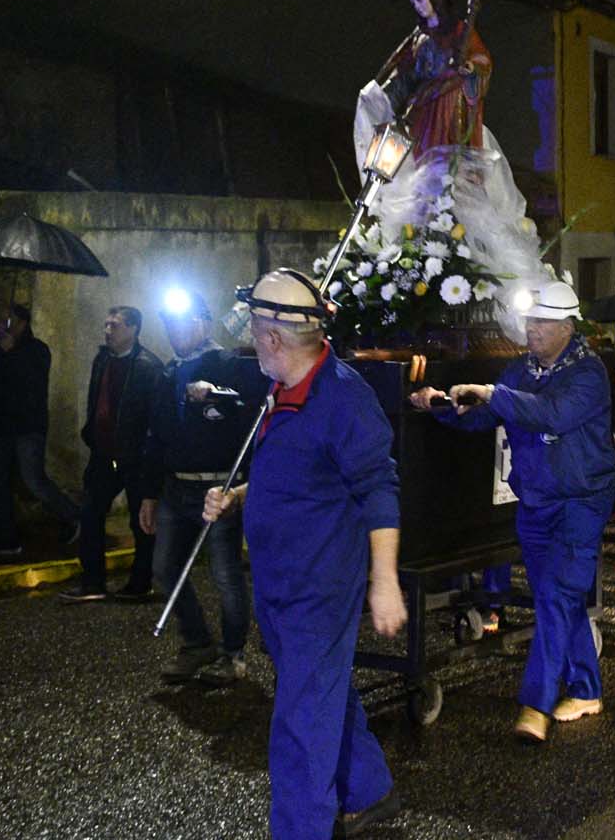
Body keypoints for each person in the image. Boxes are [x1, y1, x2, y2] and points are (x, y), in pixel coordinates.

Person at [203, 269, 406, 839]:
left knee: (298, 722)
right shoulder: (282, 389)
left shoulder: (342, 399)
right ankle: (368, 788)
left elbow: (379, 490)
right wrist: (240, 497)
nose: (248, 337)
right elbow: (300, 477)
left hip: (318, 589)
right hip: (278, 582)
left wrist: (384, 581)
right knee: (320, 694)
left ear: (272, 338)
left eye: (253, 327)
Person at [410, 281, 615, 742]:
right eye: (529, 320)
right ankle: (586, 690)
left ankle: (535, 706)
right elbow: (487, 416)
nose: (531, 329)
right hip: (537, 501)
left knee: (560, 597)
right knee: (554, 599)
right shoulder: (521, 369)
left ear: (566, 326)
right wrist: (443, 406)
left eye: (541, 322)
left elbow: (552, 414)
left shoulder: (588, 373)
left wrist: (491, 393)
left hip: (581, 502)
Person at [140, 292, 264, 686]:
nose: (174, 331)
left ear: (203, 323)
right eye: (169, 323)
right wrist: (148, 492)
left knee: (226, 574)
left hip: (218, 487)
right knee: (164, 567)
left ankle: (233, 653)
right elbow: (156, 435)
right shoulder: (166, 374)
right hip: (176, 488)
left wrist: (219, 395)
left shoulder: (229, 365)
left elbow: (252, 411)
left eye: (182, 322)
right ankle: (197, 643)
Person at [59, 306, 164, 604]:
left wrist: (147, 455)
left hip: (134, 456)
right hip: (104, 453)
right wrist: (91, 431)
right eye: (106, 325)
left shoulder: (147, 367)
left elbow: (153, 418)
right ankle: (93, 581)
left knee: (140, 520)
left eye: (115, 326)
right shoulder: (102, 360)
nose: (107, 330)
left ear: (133, 329)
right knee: (90, 513)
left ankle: (140, 582)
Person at [0, 304, 82, 557]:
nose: (4, 325)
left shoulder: (37, 350)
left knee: (33, 480)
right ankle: (6, 538)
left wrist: (10, 354)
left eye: (9, 320)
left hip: (27, 426)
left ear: (22, 323)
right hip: (1, 425)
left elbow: (32, 385)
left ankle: (76, 516)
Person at [376, 0, 492, 155]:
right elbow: (404, 69)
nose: (417, 6)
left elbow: (480, 56)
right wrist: (383, 96)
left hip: (449, 96)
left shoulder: (459, 29)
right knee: (418, 148)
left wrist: (470, 66)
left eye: (420, 0)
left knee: (445, 147)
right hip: (423, 99)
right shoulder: (419, 35)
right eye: (413, 2)